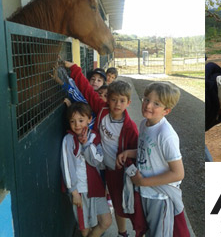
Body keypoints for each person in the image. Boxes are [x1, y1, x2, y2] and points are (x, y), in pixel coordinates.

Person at [62, 61, 144, 237]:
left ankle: (133, 231)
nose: (117, 104)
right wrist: (75, 68)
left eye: (122, 101)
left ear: (128, 102)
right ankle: (115, 230)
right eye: (113, 99)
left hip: (117, 170)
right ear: (108, 99)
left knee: (126, 203)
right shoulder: (102, 111)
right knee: (108, 201)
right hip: (98, 167)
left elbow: (138, 150)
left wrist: (128, 157)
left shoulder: (129, 127)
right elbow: (87, 90)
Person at [117, 82, 189, 237]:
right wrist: (129, 153)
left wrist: (142, 182)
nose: (148, 105)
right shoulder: (144, 124)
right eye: (146, 99)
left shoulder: (166, 135)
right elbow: (148, 152)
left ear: (166, 110)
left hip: (159, 197)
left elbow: (178, 173)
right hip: (145, 192)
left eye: (156, 103)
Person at [61, 102, 112, 237]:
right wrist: (74, 192)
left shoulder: (94, 136)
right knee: (84, 228)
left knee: (105, 222)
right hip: (80, 191)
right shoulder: (68, 139)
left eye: (81, 120)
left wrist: (86, 145)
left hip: (95, 187)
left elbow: (97, 161)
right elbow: (66, 166)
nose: (77, 124)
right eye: (73, 121)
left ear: (89, 119)